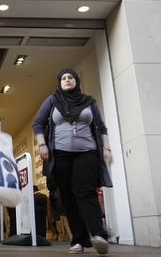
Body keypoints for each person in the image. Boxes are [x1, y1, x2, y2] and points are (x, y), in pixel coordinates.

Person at [32, 68, 113, 255]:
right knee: (68, 196)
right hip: (60, 154)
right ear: (59, 82)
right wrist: (42, 145)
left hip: (88, 152)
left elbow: (101, 127)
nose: (67, 80)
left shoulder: (89, 102)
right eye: (64, 78)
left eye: (71, 78)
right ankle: (78, 240)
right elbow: (38, 123)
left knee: (85, 191)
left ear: (76, 81)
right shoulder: (52, 101)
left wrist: (106, 149)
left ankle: (99, 234)